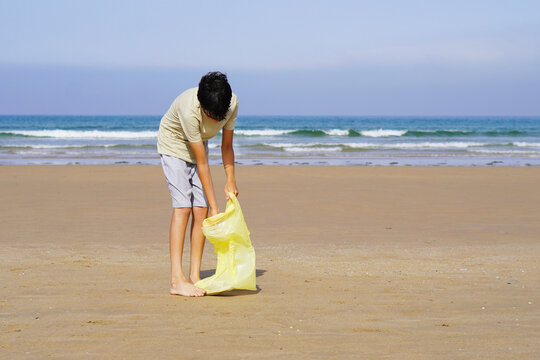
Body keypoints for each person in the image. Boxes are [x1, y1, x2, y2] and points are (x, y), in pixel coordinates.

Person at [157, 72, 239, 297]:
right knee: (183, 207)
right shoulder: (188, 109)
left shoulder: (231, 104)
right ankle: (176, 280)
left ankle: (194, 276)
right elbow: (202, 162)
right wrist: (215, 205)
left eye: (217, 116)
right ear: (202, 105)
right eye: (209, 114)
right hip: (174, 144)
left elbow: (227, 146)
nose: (214, 120)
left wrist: (230, 179)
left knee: (200, 209)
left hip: (199, 144)